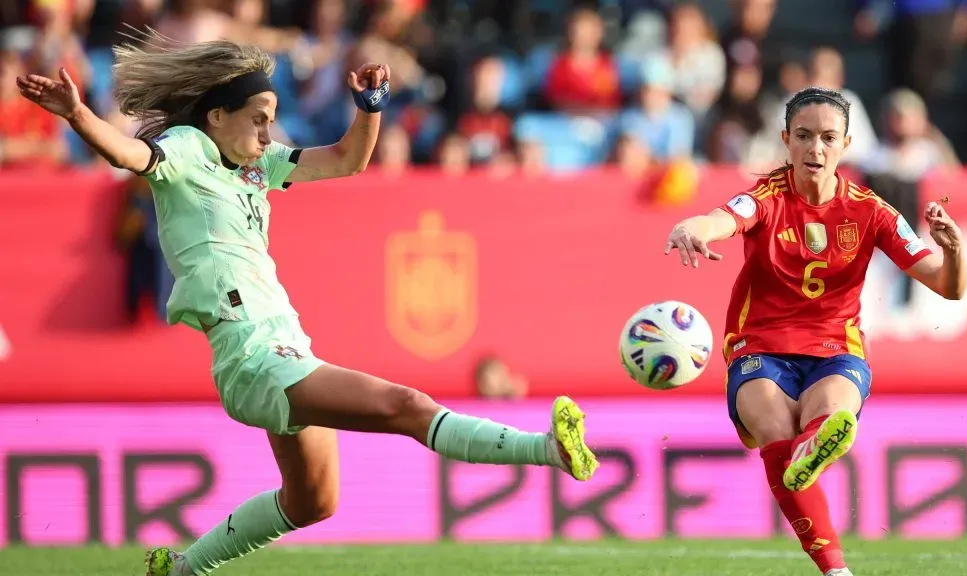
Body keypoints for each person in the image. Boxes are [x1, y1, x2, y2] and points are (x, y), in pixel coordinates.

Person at [17, 33, 598, 576]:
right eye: (258, 120)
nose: (269, 133)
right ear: (217, 116)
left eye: (272, 120)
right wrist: (78, 114)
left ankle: (180, 568)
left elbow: (349, 159)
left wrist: (371, 106)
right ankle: (547, 449)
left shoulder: (258, 166)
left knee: (313, 502)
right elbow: (128, 155)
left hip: (285, 339)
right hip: (250, 351)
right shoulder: (188, 147)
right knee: (406, 404)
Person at [663, 86, 966, 576]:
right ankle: (812, 465)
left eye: (828, 137)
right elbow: (723, 218)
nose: (815, 149)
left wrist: (953, 251)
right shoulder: (765, 196)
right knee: (775, 427)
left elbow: (947, 287)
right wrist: (692, 227)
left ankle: (830, 544)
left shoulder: (872, 211)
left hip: (833, 350)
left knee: (831, 414)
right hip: (758, 348)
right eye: (803, 136)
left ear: (847, 144)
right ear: (785, 140)